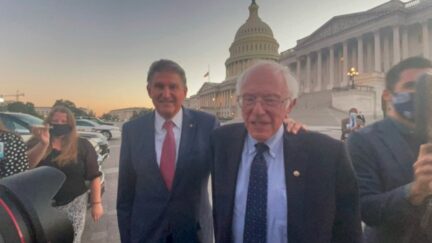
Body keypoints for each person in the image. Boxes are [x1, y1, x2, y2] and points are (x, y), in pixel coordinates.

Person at [210, 60, 362, 243]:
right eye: (249, 99)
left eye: (270, 100)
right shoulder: (220, 142)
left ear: (290, 105)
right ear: (239, 101)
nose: (258, 110)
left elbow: (348, 232)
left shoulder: (327, 155)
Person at [116, 59, 219, 243]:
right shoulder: (132, 130)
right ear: (149, 91)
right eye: (159, 86)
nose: (166, 94)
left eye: (173, 86)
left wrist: (283, 131)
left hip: (193, 233)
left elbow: (236, 152)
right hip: (146, 233)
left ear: (184, 91)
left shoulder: (207, 125)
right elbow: (125, 195)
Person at [347, 57, 432, 243]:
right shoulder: (363, 140)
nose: (421, 93)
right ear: (388, 95)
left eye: (427, 86)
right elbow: (366, 209)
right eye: (412, 85)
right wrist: (415, 190)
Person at [27, 106, 103, 243]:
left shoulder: (82, 145)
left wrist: (96, 203)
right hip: (42, 206)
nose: (59, 125)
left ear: (71, 124)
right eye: (55, 121)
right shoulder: (35, 142)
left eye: (64, 121)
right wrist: (43, 144)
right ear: (48, 122)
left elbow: (94, 175)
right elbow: (27, 167)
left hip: (74, 203)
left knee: (72, 239)